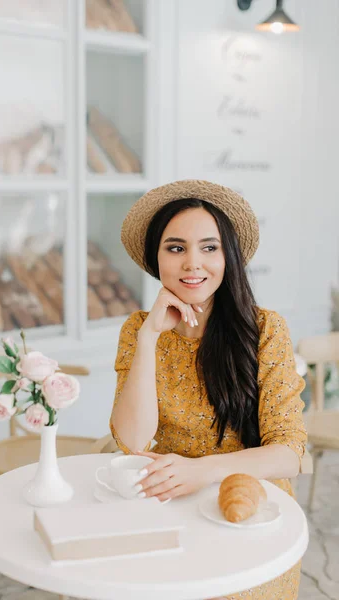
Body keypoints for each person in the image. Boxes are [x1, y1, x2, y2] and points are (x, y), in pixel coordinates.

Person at [109, 179, 307, 600]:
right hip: (170, 507)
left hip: (252, 511)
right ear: (156, 258)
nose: (192, 264)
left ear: (228, 256)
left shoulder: (265, 330)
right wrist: (149, 339)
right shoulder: (137, 330)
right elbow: (131, 441)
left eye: (209, 247)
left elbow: (289, 453)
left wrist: (200, 471)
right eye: (176, 248)